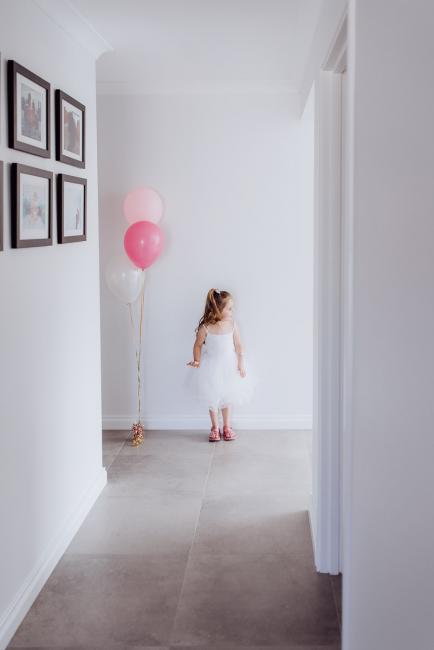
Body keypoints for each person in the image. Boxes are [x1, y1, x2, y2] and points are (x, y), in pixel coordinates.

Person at [186, 288, 256, 442]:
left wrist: (241, 364)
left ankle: (227, 426)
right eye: (229, 308)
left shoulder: (232, 325)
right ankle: (215, 428)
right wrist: (197, 360)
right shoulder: (205, 327)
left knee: (227, 396)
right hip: (210, 367)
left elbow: (239, 346)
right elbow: (197, 345)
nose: (232, 311)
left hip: (229, 367)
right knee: (212, 398)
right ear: (218, 309)